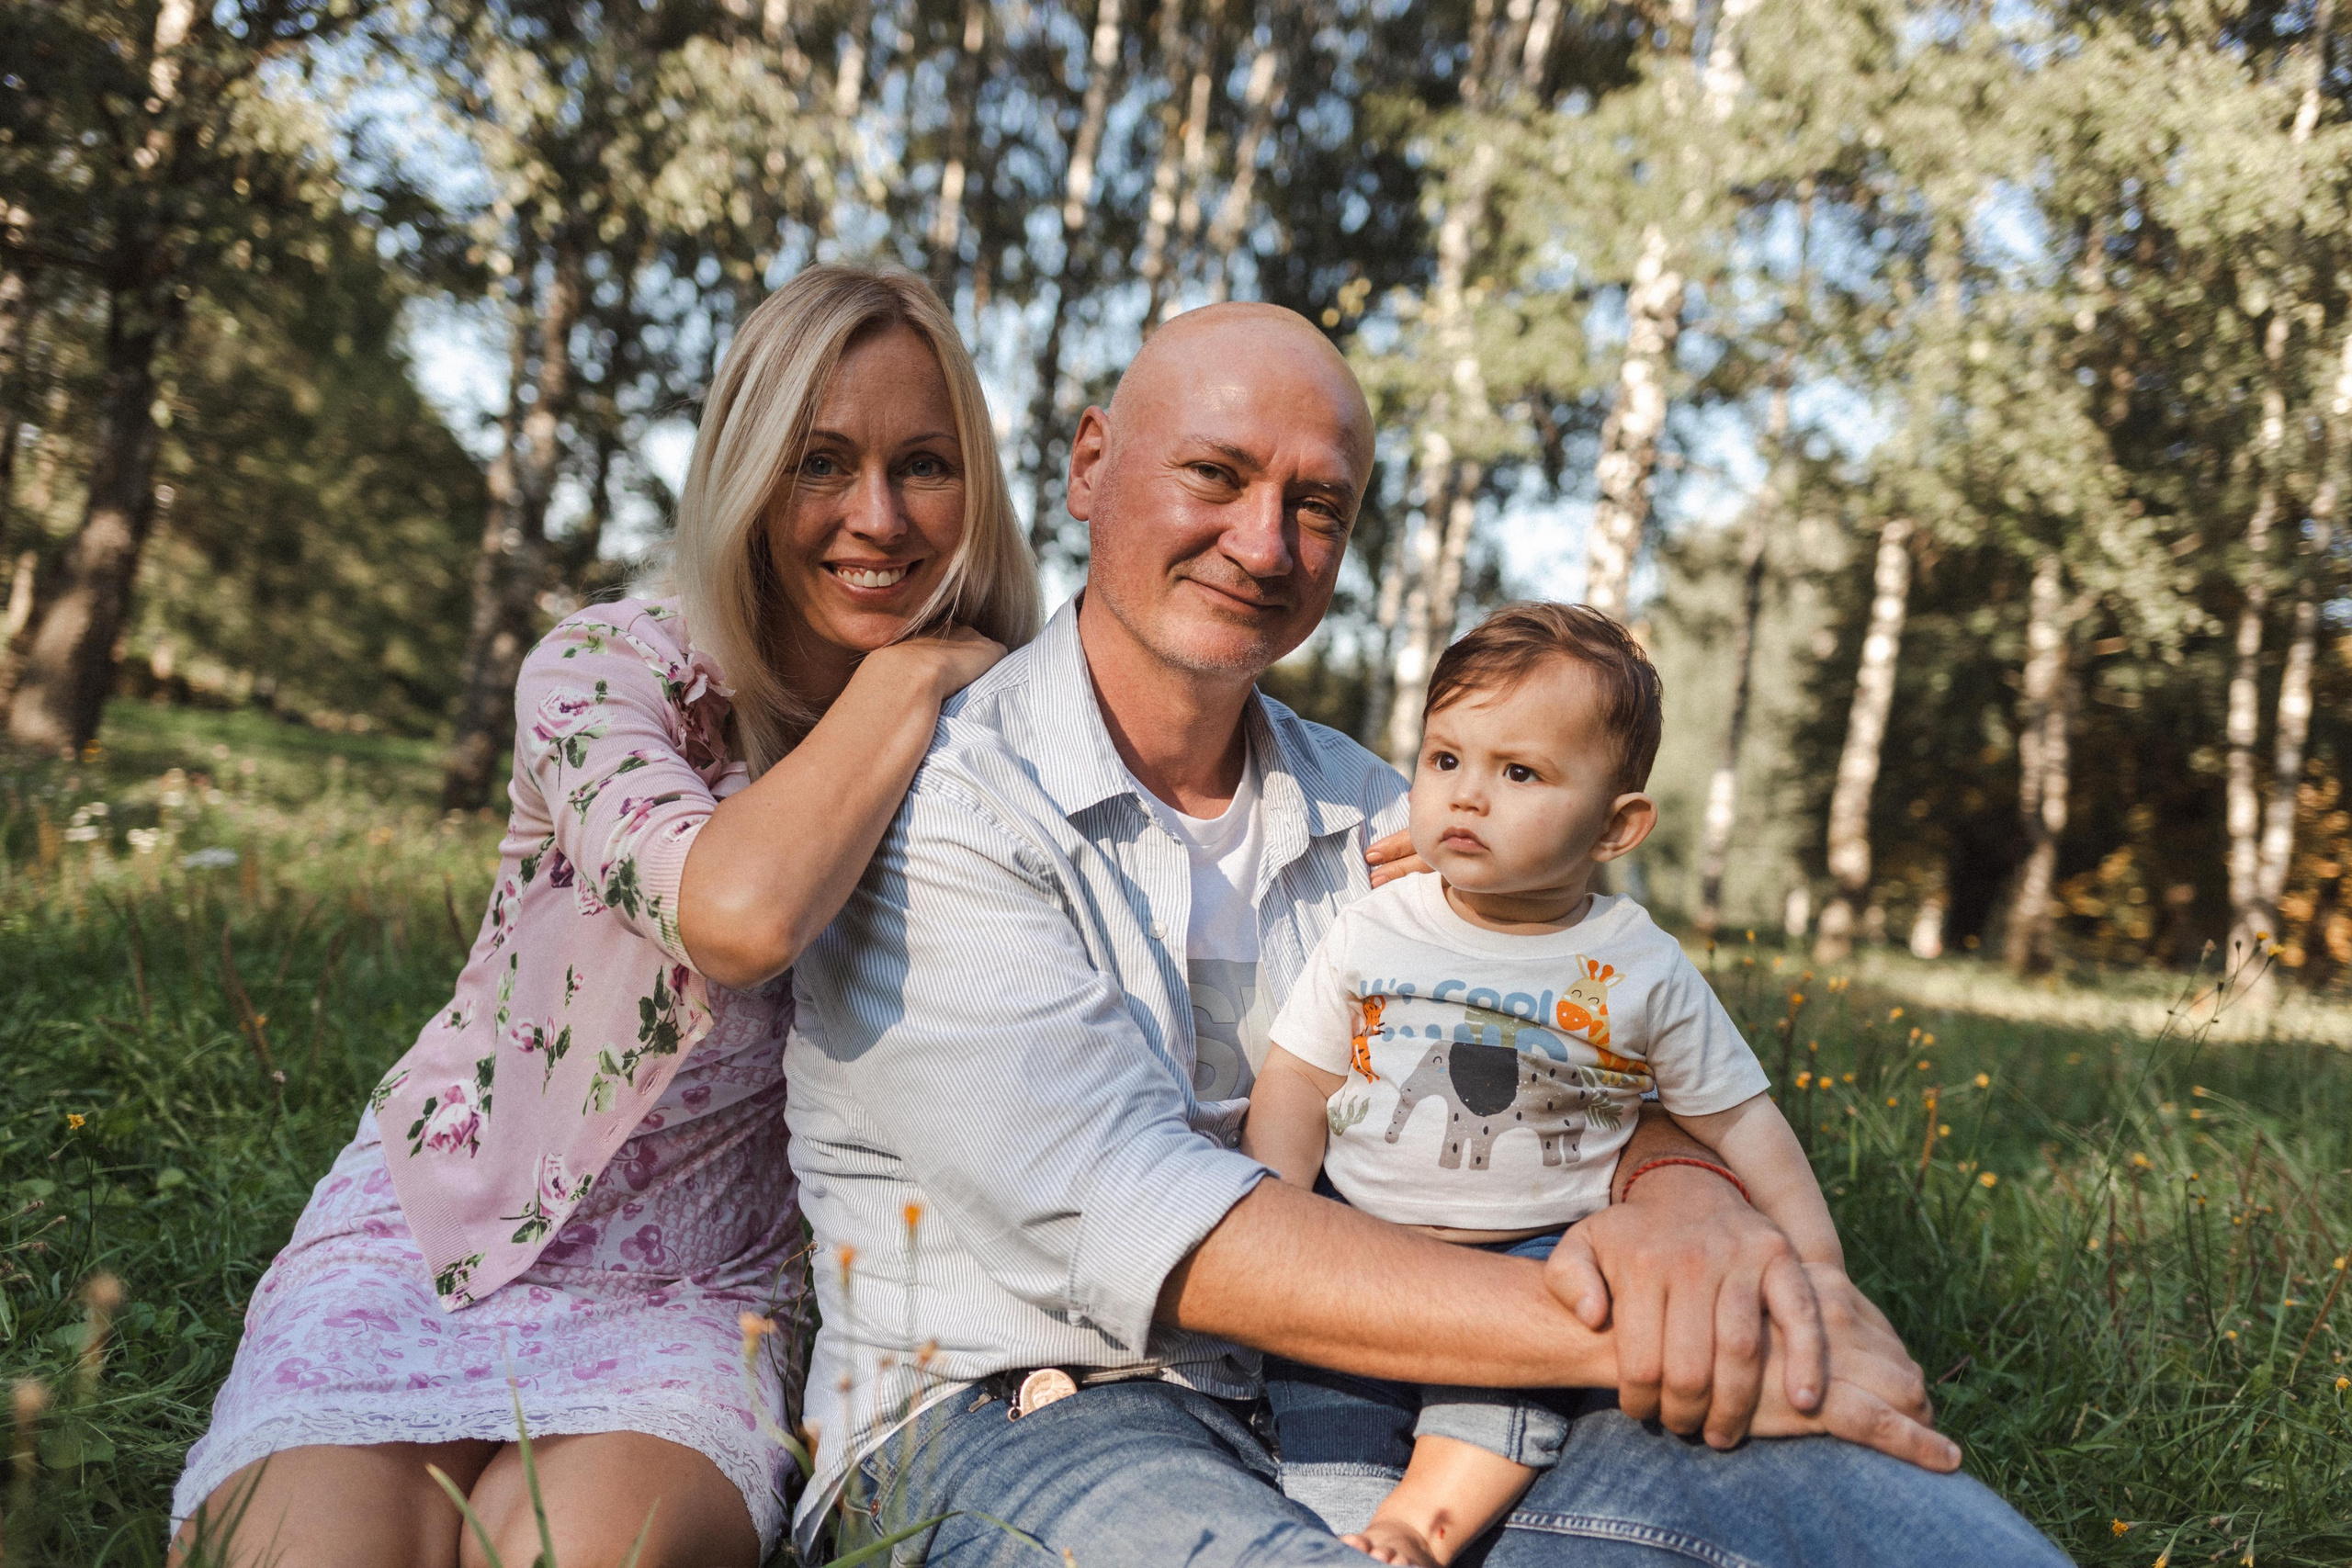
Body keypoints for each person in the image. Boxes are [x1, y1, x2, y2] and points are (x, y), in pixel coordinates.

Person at [782, 300, 2071, 1566]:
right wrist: (1647, 1330)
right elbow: (1122, 1210)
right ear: (1089, 462)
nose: (1264, 540)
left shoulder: (1383, 811)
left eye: (1317, 505)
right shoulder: (942, 799)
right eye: (1216, 475)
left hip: (1407, 1380)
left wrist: (1689, 1207)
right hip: (1033, 1397)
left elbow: (1596, 1022)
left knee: (1857, 1504)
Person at [169, 266, 1036, 1568]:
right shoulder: (611, 669)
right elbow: (733, 915)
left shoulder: (999, 738)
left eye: (925, 464)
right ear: (749, 471)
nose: (877, 515)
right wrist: (910, 669)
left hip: (695, 1298)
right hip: (432, 1223)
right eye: (819, 462)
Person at [1243, 602, 1847, 1565]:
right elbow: (1296, 1079)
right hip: (1354, 1233)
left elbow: (1745, 1124)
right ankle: (1342, 1526)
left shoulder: (1637, 965)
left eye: (1518, 773)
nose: (1465, 797)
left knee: (1496, 1405)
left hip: (1535, 1253)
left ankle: (1423, 1525)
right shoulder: (1376, 925)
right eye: (1445, 761)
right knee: (1324, 1400)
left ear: (1618, 826)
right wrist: (1275, 1210)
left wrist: (1820, 1279)